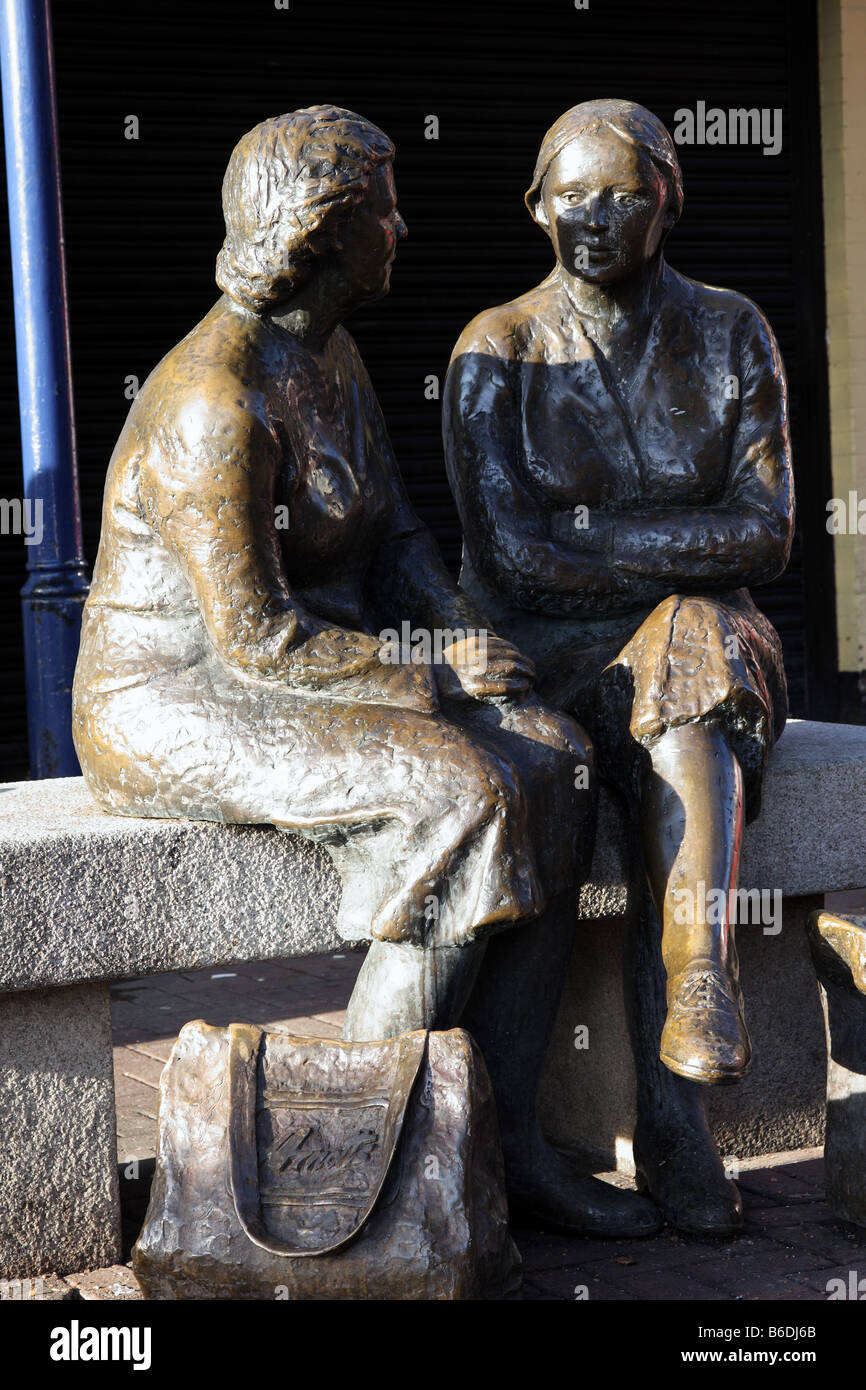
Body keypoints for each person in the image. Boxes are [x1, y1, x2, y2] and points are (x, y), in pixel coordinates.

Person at [72, 105, 657, 1236]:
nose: (404, 224)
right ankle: (352, 1181)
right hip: (173, 697)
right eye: (383, 206)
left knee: (556, 758)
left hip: (301, 668)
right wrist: (435, 674)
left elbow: (395, 543)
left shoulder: (327, 355)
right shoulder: (214, 402)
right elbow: (256, 642)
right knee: (462, 791)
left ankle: (499, 1139)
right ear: (323, 232)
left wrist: (461, 644)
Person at [444, 99, 793, 1233]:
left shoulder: (733, 329)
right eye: (573, 195)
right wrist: (661, 550)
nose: (595, 219)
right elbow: (513, 558)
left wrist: (590, 540)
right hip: (541, 655)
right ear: (537, 204)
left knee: (689, 669)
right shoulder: (496, 346)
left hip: (703, 651)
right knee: (683, 650)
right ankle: (676, 1105)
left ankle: (690, 1045)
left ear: (669, 199)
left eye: (624, 194)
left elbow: (770, 532)